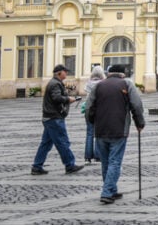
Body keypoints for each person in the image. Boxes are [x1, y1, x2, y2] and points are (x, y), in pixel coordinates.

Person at [84, 64, 145, 204]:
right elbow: (136, 105)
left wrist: (92, 121)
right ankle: (106, 192)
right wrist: (139, 123)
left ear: (108, 73)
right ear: (122, 74)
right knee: (115, 162)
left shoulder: (98, 86)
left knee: (105, 162)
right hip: (119, 128)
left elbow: (88, 107)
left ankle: (111, 189)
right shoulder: (127, 84)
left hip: (100, 129)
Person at [31, 64, 83, 175]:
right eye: (65, 71)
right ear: (59, 73)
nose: (66, 73)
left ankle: (37, 166)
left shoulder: (55, 83)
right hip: (54, 118)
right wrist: (68, 99)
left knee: (46, 144)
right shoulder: (55, 83)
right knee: (62, 142)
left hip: (49, 117)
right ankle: (70, 165)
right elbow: (56, 98)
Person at [82, 65, 104, 164]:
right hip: (99, 109)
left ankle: (88, 157)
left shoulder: (89, 83)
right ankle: (97, 156)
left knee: (89, 133)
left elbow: (86, 94)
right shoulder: (102, 83)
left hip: (88, 109)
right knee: (98, 133)